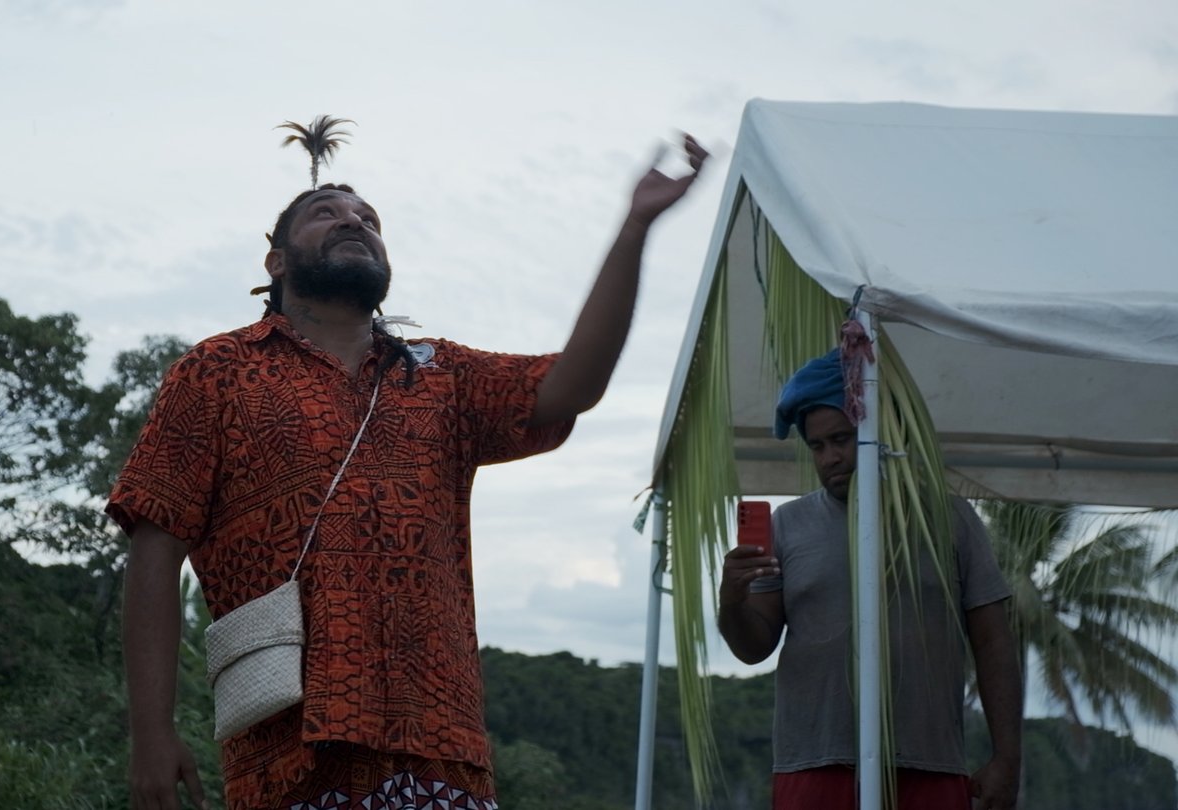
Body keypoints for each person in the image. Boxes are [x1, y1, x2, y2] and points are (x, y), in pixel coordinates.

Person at [108, 135, 710, 810]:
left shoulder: (441, 374)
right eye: (326, 213)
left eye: (368, 218)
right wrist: (151, 734)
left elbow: (572, 385)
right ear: (275, 261)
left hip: (440, 753)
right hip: (292, 756)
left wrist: (635, 228)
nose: (353, 221)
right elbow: (155, 547)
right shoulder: (217, 371)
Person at [718, 350, 1022, 810]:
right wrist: (731, 601)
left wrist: (1007, 758)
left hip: (929, 762)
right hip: (815, 761)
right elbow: (753, 647)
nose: (830, 458)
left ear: (880, 433)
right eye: (817, 446)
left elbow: (993, 642)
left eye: (842, 439)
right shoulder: (788, 525)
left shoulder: (950, 519)